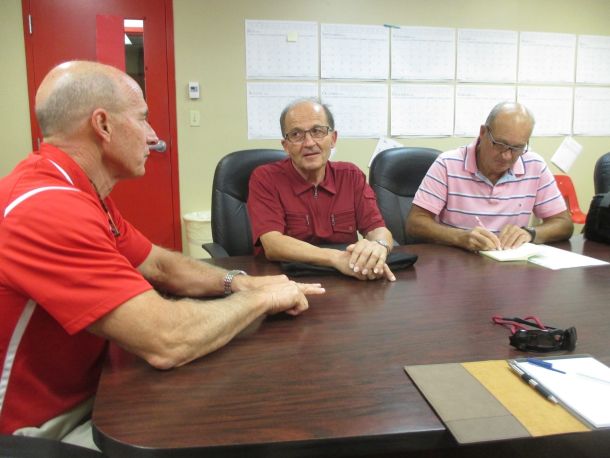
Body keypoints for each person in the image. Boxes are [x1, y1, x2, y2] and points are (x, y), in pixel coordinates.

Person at [0, 61, 325, 449]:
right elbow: (167, 340)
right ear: (103, 125)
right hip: (39, 427)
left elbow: (159, 264)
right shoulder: (47, 210)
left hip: (94, 385)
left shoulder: (76, 189)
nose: (153, 137)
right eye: (142, 119)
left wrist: (240, 282)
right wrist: (261, 299)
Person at [247, 99, 396, 281]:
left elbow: (377, 229)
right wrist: (335, 258)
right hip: (284, 281)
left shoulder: (351, 176)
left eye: (317, 131)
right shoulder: (266, 178)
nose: (309, 143)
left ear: (333, 139)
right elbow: (273, 244)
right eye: (296, 134)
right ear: (286, 146)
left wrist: (379, 246)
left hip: (348, 280)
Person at [406, 101, 573, 251]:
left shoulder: (534, 166)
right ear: (483, 132)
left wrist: (531, 233)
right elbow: (415, 223)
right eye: (500, 144)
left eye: (517, 148)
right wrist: (459, 237)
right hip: (457, 263)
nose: (507, 156)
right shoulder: (448, 164)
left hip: (509, 264)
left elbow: (564, 223)